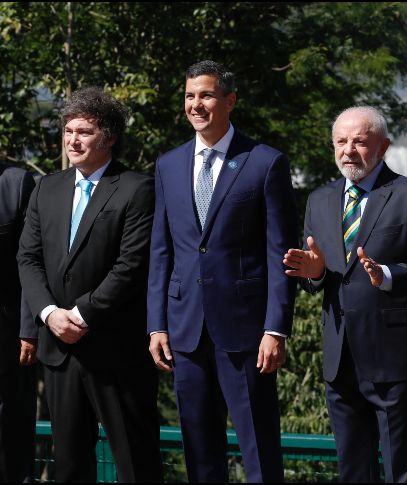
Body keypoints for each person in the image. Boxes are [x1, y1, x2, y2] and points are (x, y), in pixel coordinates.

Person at [147, 60, 297, 483]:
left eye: (207, 95)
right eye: (190, 96)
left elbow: (279, 253)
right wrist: (156, 325)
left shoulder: (265, 162)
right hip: (185, 331)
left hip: (246, 332)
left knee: (259, 450)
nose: (196, 104)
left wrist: (276, 328)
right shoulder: (168, 165)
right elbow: (161, 251)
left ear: (230, 101)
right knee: (200, 452)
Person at [283, 106, 407, 482]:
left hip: (396, 362)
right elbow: (316, 275)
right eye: (340, 141)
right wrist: (314, 273)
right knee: (353, 472)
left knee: (403, 473)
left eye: (359, 141)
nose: (348, 151)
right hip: (340, 361)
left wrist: (386, 275)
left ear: (383, 146)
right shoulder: (319, 199)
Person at [16, 87, 162, 482]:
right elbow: (27, 258)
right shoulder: (47, 187)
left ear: (109, 137)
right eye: (68, 131)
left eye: (84, 131)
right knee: (68, 468)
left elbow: (131, 266)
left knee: (136, 465)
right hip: (59, 351)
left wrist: (81, 315)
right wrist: (50, 314)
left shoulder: (138, 188)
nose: (73, 140)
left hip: (116, 352)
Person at [0, 162, 36, 483]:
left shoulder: (15, 183)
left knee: (12, 435)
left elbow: (30, 262)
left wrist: (29, 330)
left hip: (9, 340)